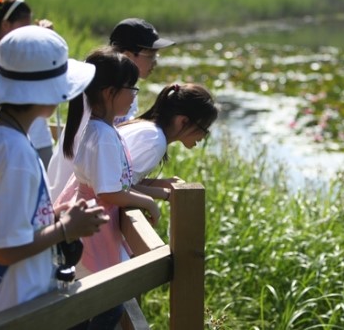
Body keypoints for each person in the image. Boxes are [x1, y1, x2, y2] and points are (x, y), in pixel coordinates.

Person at [0, 25, 108, 318]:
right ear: (49, 91)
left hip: (2, 300)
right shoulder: (14, 152)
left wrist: (53, 214)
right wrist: (67, 228)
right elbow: (7, 250)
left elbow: (5, 217)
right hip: (13, 308)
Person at [55, 48, 161, 329]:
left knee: (89, 302)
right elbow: (107, 191)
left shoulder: (101, 128)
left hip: (91, 219)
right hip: (95, 226)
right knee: (107, 303)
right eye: (131, 88)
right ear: (108, 92)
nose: (135, 95)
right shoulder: (102, 135)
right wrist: (148, 203)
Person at [48, 17, 175, 201]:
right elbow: (110, 186)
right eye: (151, 55)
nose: (155, 62)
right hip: (77, 193)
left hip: (85, 190)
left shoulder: (113, 93)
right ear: (127, 54)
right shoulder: (102, 94)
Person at [0, 0, 55, 167]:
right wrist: (44, 39)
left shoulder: (1, 50)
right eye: (24, 28)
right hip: (23, 137)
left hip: (38, 137)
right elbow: (30, 71)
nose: (27, 33)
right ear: (5, 25)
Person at [117, 83, 218, 200]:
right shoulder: (154, 141)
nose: (204, 136)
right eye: (204, 128)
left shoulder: (148, 130)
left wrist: (162, 183)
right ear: (183, 121)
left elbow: (124, 181)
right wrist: (167, 195)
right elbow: (118, 187)